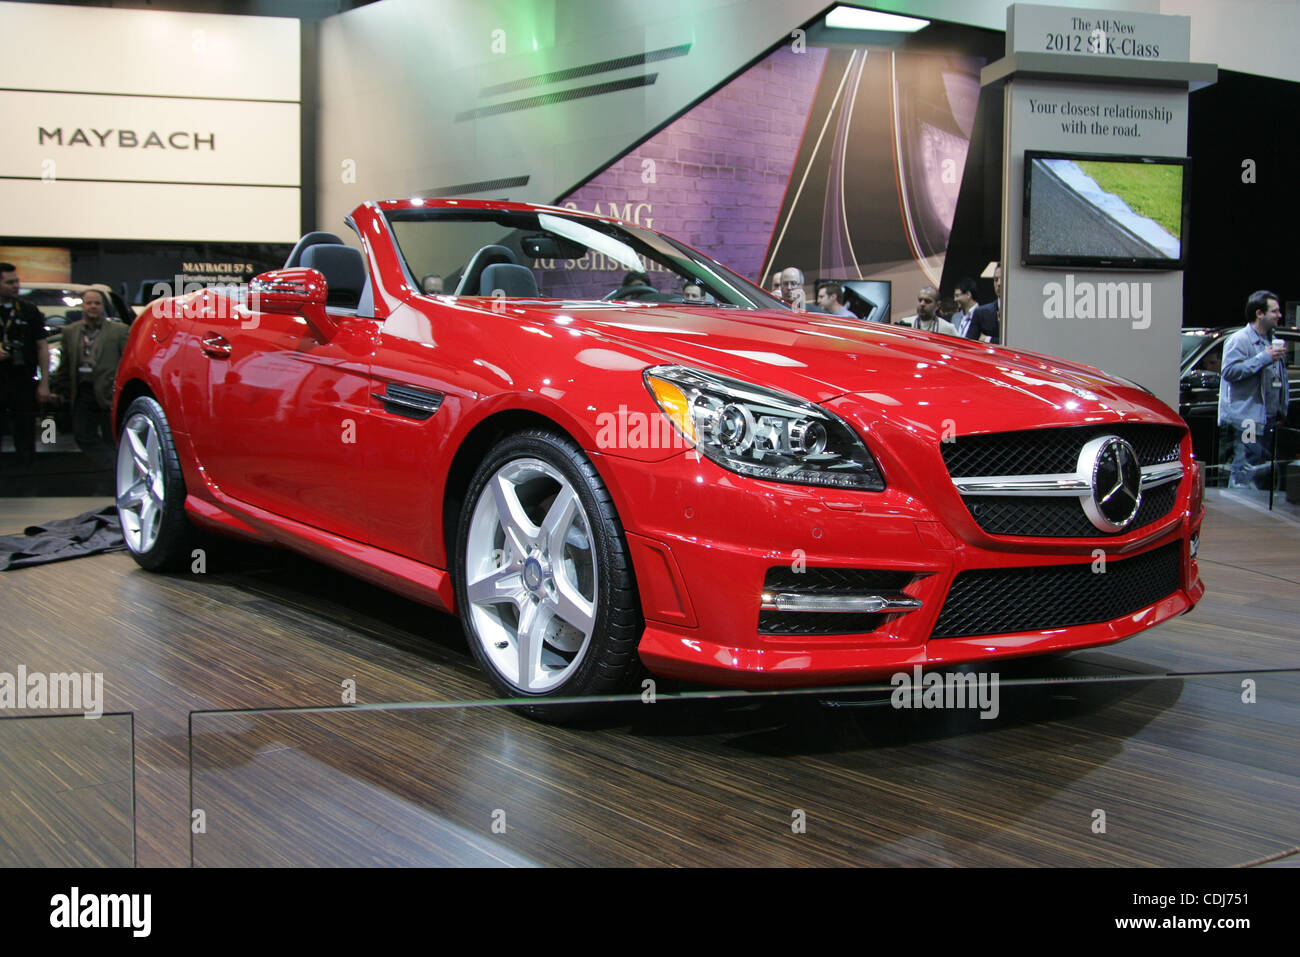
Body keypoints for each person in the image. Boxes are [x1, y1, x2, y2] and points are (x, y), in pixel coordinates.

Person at [1218, 289, 1289, 489]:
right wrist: (1263, 358)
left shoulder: (1271, 339)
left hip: (1268, 418)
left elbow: (1280, 378)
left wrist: (1283, 408)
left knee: (1259, 467)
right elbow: (1229, 371)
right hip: (1246, 417)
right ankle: (1239, 506)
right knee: (1245, 467)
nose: (1279, 315)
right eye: (1274, 311)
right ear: (1260, 313)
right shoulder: (1240, 340)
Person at [51, 287, 130, 459]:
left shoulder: (120, 330)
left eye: (97, 303)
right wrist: (59, 388)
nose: (93, 306)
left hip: (109, 391)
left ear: (103, 307)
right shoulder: (70, 331)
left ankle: (113, 472)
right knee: (83, 436)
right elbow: (65, 363)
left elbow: (127, 363)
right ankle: (111, 468)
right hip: (82, 391)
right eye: (89, 303)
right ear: (83, 306)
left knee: (113, 438)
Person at [0, 263, 51, 468]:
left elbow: (42, 347)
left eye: (17, 281)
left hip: (22, 379)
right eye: (9, 282)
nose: (15, 286)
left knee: (25, 430)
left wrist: (44, 383)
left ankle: (28, 472)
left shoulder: (29, 310)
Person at [966, 264, 1001, 343]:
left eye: (1003, 279)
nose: (999, 283)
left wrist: (987, 339)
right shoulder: (981, 313)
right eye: (996, 279)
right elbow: (969, 344)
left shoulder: (1022, 312)